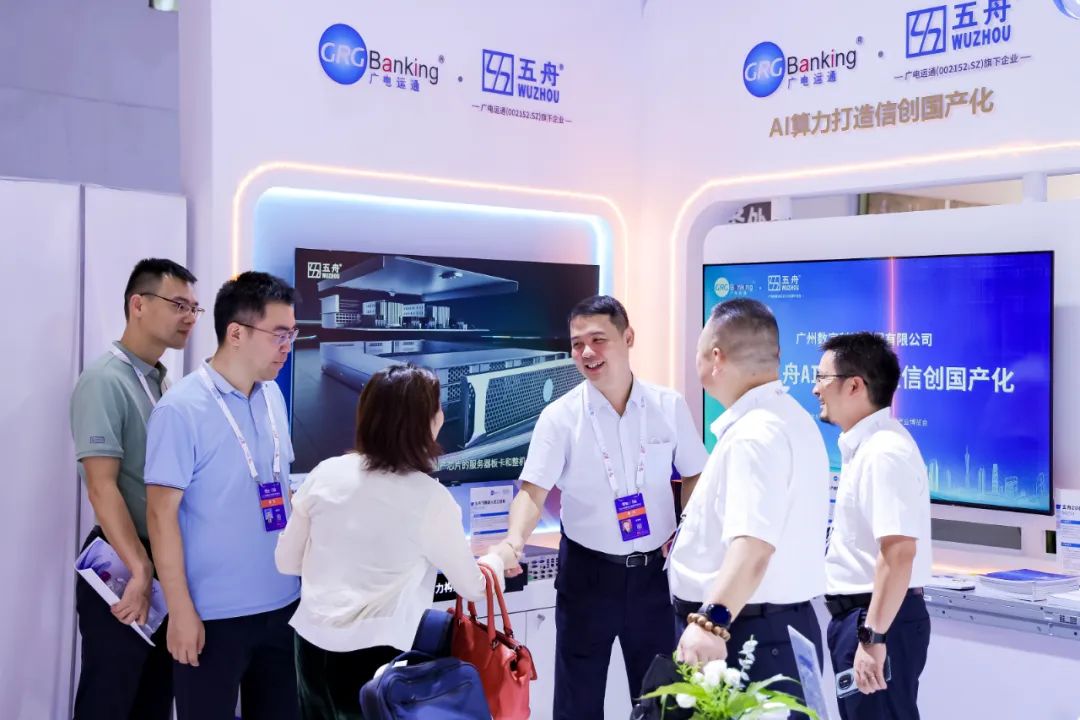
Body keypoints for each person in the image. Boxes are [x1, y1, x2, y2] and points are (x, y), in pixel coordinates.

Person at [493, 295, 708, 719]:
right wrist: (513, 542)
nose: (587, 352)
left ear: (628, 338)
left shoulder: (668, 406)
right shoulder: (560, 417)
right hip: (587, 577)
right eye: (577, 344)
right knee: (578, 702)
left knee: (663, 701)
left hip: (654, 577)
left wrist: (686, 530)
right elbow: (532, 492)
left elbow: (695, 474)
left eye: (598, 339)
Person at [275, 364, 505, 720]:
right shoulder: (430, 498)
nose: (442, 415)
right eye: (437, 407)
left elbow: (286, 562)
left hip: (309, 647)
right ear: (423, 423)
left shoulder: (326, 472)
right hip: (375, 659)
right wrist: (497, 559)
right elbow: (472, 587)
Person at [145, 271, 301, 720]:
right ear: (236, 333)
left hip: (283, 605)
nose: (287, 346)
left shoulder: (273, 397)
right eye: (278, 334)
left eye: (292, 334)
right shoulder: (181, 409)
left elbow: (280, 487)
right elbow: (160, 516)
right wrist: (180, 611)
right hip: (211, 616)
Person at [667, 298, 829, 717]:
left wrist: (711, 622)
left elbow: (753, 546)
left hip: (744, 637)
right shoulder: (791, 419)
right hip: (773, 630)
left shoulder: (755, 435)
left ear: (716, 357)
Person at [70, 258, 200, 720]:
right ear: (138, 304)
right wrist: (141, 569)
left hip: (163, 558)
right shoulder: (105, 381)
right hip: (123, 560)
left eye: (195, 308)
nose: (189, 317)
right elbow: (101, 487)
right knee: (109, 699)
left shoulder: (162, 380)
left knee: (153, 699)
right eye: (178, 304)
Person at [813, 332, 932, 720]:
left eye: (822, 378)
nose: (816, 389)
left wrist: (873, 635)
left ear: (854, 385)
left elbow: (899, 552)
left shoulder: (884, 451)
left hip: (878, 620)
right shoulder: (865, 446)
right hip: (864, 618)